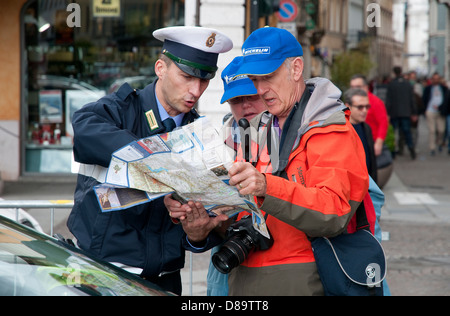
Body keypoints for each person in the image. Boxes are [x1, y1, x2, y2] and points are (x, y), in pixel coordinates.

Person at [166, 27, 369, 295]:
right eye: (254, 79)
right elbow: (245, 213)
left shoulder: (329, 129)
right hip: (244, 280)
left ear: (296, 69)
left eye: (268, 77)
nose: (260, 90)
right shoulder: (256, 129)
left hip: (303, 281)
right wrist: (203, 223)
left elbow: (334, 212)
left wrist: (265, 186)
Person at [67, 26, 232, 295]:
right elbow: (84, 129)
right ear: (160, 68)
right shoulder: (120, 109)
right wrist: (160, 169)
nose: (196, 90)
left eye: (204, 81)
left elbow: (209, 222)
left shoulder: (202, 135)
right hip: (105, 274)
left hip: (165, 281)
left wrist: (198, 232)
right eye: (187, 77)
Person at [207, 56, 266, 296]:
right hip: (227, 265)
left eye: (251, 97)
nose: (245, 106)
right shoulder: (216, 145)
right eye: (235, 100)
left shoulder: (294, 134)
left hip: (275, 267)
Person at [350, 74, 389, 157]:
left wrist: (379, 143)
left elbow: (383, 123)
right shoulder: (350, 102)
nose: (354, 90)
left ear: (365, 87)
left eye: (357, 87)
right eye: (352, 87)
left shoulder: (376, 102)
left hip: (370, 142)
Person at [345, 88, 377, 182]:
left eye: (367, 107)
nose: (364, 110)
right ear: (348, 106)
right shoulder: (340, 129)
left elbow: (371, 161)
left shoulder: (366, 128)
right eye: (360, 107)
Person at [385, 66, 417, 159]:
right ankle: (411, 149)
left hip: (394, 112)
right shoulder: (407, 84)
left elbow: (389, 100)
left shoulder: (391, 84)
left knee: (393, 132)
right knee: (407, 132)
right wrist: (414, 112)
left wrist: (387, 113)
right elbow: (412, 100)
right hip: (405, 112)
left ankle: (393, 152)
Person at [422, 72, 448, 155]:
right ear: (432, 79)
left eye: (437, 79)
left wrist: (442, 108)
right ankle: (432, 148)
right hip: (430, 111)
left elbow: (447, 99)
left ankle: (439, 143)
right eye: (434, 79)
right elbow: (424, 99)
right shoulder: (428, 88)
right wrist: (425, 110)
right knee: (432, 131)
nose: (436, 80)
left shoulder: (443, 88)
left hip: (440, 112)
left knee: (441, 130)